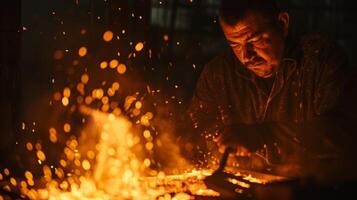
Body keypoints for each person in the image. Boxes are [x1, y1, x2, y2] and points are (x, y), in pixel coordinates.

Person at [186, 0, 357, 182]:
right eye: (235, 45)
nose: (246, 55)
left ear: (282, 24)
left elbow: (342, 132)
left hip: (310, 189)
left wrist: (264, 135)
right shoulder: (218, 74)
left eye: (255, 40)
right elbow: (194, 132)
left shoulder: (320, 60)